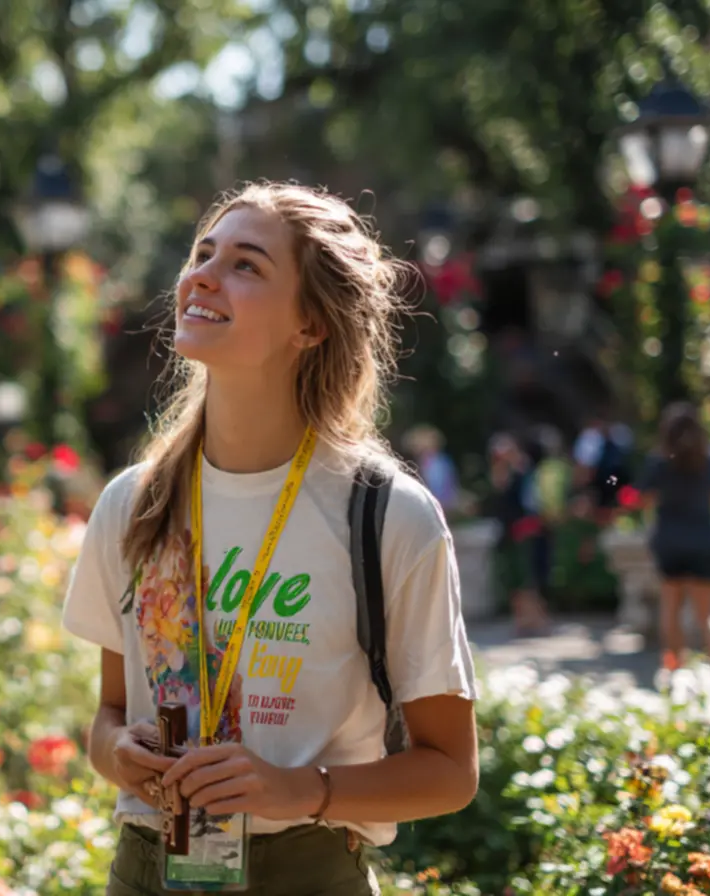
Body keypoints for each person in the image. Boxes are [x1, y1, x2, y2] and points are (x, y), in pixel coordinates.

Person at [62, 183, 479, 895]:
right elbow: (106, 718)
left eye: (246, 265)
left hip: (307, 875)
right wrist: (119, 752)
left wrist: (301, 789)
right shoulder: (134, 504)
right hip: (144, 870)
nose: (202, 275)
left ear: (311, 324)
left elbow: (450, 771)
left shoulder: (388, 516)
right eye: (203, 254)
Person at [637, 402, 710, 685]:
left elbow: (646, 499)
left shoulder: (658, 461)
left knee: (671, 607)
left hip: (669, 540)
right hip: (702, 539)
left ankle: (674, 667)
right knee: (707, 613)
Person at [487, 433, 551, 636]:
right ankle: (522, 620)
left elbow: (530, 502)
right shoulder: (503, 472)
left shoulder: (524, 470)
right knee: (514, 578)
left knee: (527, 578)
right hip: (508, 532)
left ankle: (537, 620)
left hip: (524, 530)